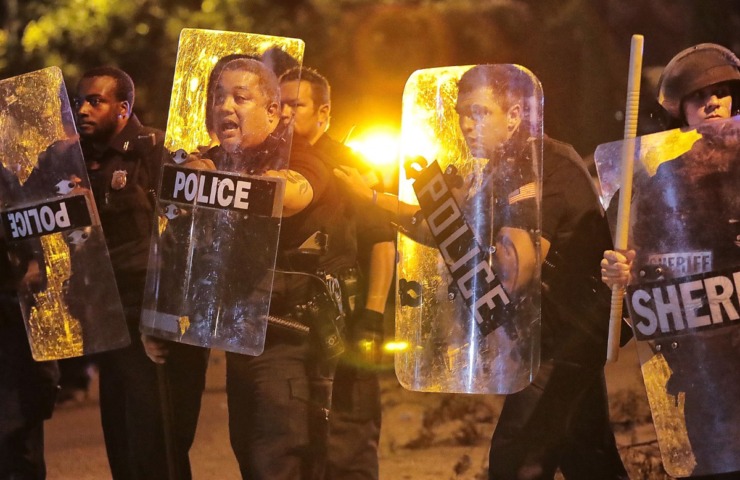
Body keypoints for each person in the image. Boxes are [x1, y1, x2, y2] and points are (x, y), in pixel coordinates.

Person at [336, 64, 628, 479]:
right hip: (552, 338)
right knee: (588, 456)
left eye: (480, 113)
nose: (467, 125)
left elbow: (514, 268)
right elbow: (452, 228)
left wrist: (485, 263)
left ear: (513, 116)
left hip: (564, 339)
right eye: (461, 114)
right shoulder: (501, 166)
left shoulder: (540, 162)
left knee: (517, 457)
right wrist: (372, 198)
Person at [143, 56, 357, 479]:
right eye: (219, 97)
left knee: (274, 459)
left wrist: (219, 184)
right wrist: (160, 318)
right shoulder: (211, 161)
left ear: (274, 111)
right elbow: (177, 246)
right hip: (243, 337)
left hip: (289, 341)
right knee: (253, 455)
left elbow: (292, 193)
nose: (225, 107)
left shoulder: (301, 153)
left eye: (240, 98)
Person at [601, 43, 740, 480]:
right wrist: (621, 269)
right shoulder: (667, 178)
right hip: (706, 340)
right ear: (680, 108)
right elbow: (643, 254)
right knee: (718, 458)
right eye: (698, 95)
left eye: (721, 91)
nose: (711, 101)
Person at [72, 66, 210, 480]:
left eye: (95, 101)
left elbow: (185, 238)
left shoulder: (156, 151)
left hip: (156, 314)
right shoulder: (75, 159)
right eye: (79, 100)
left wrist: (167, 318)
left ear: (123, 107)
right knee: (123, 442)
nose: (82, 109)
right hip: (110, 316)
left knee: (158, 446)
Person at [279, 66, 395, 480]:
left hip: (346, 319)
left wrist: (373, 316)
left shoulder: (347, 164)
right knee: (298, 445)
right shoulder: (271, 165)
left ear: (323, 111)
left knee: (349, 442)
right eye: (281, 105)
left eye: (297, 105)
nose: (286, 115)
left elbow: (381, 240)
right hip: (289, 323)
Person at [0, 170, 60, 480]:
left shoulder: (12, 178)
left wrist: (36, 260)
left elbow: (37, 228)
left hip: (12, 323)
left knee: (17, 435)